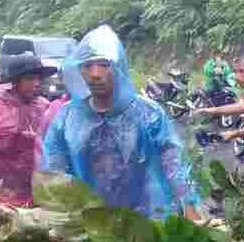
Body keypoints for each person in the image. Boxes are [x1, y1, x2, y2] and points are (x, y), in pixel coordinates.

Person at [41, 25, 202, 220]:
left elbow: (173, 164)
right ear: (79, 71)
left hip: (146, 220)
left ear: (118, 67)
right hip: (91, 222)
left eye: (104, 64)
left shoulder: (148, 114)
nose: (95, 74)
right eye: (87, 65)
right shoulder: (67, 118)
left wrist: (189, 206)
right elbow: (55, 170)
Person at [0, 52, 53, 207]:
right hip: (2, 196)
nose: (37, 83)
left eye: (39, 78)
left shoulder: (45, 107)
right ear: (15, 81)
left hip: (39, 195)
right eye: (30, 78)